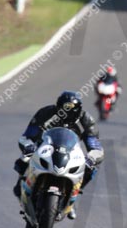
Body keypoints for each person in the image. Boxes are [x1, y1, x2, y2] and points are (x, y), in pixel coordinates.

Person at [13, 90, 104, 219]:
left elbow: (95, 146)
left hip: (71, 153)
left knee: (91, 169)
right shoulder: (45, 113)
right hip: (44, 148)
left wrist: (91, 158)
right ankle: (21, 188)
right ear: (57, 107)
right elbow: (27, 136)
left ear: (78, 111)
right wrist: (28, 146)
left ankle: (73, 197)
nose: (66, 117)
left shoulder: (87, 121)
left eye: (71, 115)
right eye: (62, 112)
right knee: (22, 161)